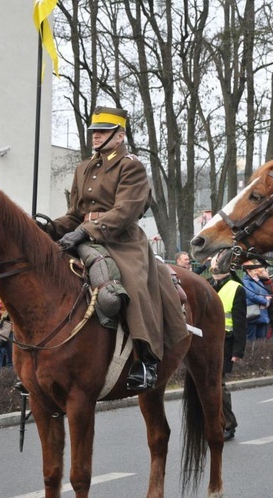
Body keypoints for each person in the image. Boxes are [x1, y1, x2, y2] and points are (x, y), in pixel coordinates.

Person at [44, 106, 188, 391]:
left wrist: (84, 230)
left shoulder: (130, 165)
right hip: (84, 236)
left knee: (134, 285)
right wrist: (50, 228)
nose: (96, 136)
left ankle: (147, 358)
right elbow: (75, 214)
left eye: (103, 132)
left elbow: (125, 212)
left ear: (120, 135)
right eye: (94, 132)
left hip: (122, 241)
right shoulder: (83, 167)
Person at [208, 258, 247, 441]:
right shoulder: (208, 285)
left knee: (219, 385)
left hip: (226, 342)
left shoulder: (236, 288)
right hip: (206, 342)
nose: (214, 271)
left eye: (217, 268)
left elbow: (240, 322)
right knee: (209, 385)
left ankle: (229, 425)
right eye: (213, 268)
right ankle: (213, 423)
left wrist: (238, 351)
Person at [241, 261, 271, 341]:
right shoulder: (245, 282)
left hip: (262, 315)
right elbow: (251, 295)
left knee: (261, 340)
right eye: (254, 270)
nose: (256, 271)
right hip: (252, 315)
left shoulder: (259, 282)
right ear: (248, 271)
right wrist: (265, 302)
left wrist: (266, 300)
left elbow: (267, 295)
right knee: (251, 340)